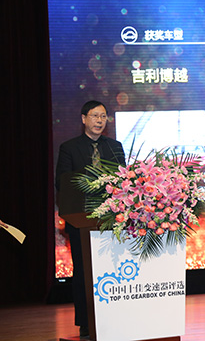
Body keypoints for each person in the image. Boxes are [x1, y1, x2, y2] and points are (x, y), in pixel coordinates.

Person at [55, 100, 126, 338]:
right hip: (81, 219)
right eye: (95, 116)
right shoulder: (69, 147)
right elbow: (62, 182)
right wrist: (92, 182)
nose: (99, 120)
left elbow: (124, 180)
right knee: (84, 272)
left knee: (113, 269)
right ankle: (86, 322)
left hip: (110, 220)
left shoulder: (115, 147)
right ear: (84, 119)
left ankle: (114, 318)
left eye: (103, 116)